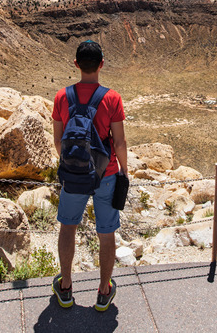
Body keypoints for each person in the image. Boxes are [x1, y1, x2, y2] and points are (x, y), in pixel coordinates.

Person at [51, 40, 128, 312]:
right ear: (102, 64)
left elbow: (58, 141)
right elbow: (118, 143)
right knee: (106, 234)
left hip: (73, 175)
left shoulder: (62, 96)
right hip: (105, 176)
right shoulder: (112, 98)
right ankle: (104, 291)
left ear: (76, 65)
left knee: (68, 227)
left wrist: (72, 165)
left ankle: (66, 286)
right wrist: (123, 172)